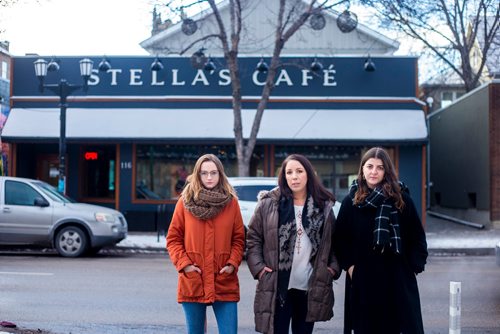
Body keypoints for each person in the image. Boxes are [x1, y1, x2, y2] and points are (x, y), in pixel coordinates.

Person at [334, 147, 428, 334]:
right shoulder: (351, 201)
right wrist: (351, 268)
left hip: (396, 277)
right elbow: (340, 240)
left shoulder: (402, 199)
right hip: (364, 279)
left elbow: (417, 236)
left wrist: (412, 267)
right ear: (362, 169)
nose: (374, 171)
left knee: (397, 327)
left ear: (387, 171)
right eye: (369, 166)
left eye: (380, 167)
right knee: (366, 328)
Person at [246, 154, 341, 334]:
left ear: (309, 174)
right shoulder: (269, 204)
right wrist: (259, 269)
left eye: (299, 171)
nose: (294, 176)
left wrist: (332, 269)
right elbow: (253, 239)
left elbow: (334, 243)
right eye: (289, 172)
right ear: (284, 176)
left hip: (310, 286)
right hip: (278, 285)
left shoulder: (323, 206)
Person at [166, 154, 245, 334]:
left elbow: (239, 239)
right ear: (197, 175)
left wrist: (232, 264)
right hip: (193, 279)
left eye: (213, 173)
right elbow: (173, 239)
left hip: (224, 278)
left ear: (220, 175)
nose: (209, 177)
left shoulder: (231, 203)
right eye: (204, 173)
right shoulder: (185, 202)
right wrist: (185, 266)